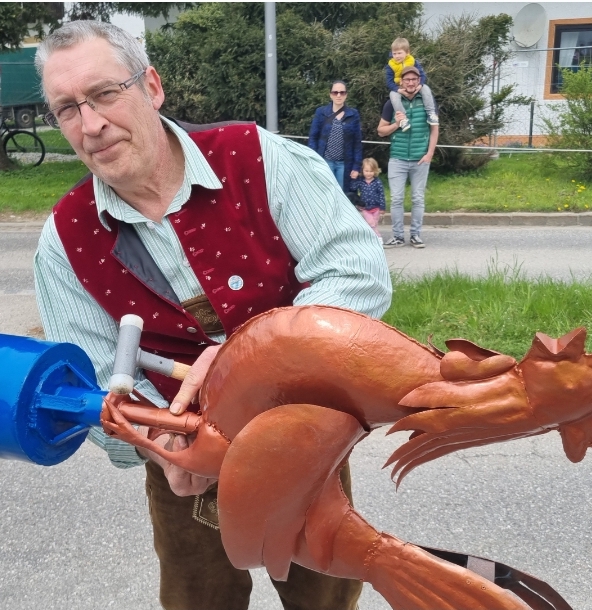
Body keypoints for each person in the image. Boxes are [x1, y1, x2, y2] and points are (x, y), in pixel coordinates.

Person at [33, 20, 390, 610]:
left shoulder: (257, 157)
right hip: (180, 466)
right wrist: (158, 443)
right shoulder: (64, 238)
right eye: (67, 108)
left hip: (301, 436)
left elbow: (358, 272)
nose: (91, 124)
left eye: (104, 94)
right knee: (197, 599)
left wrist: (245, 362)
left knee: (325, 596)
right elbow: (89, 382)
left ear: (151, 86)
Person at [377, 65, 438, 250]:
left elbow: (435, 128)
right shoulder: (391, 103)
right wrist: (396, 124)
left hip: (421, 159)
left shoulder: (427, 100)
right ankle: (397, 236)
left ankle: (415, 235)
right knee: (396, 199)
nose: (410, 83)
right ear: (401, 82)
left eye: (413, 79)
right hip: (398, 158)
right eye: (407, 80)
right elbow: (381, 131)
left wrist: (429, 154)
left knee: (418, 199)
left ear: (418, 81)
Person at [307, 80, 362, 193]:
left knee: (341, 195)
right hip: (325, 162)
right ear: (330, 94)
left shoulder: (353, 114)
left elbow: (357, 142)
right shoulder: (321, 112)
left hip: (344, 164)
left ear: (346, 95)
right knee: (324, 194)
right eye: (335, 92)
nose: (338, 95)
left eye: (342, 92)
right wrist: (313, 160)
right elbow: (313, 137)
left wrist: (356, 166)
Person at [385, 37, 438, 133]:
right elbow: (389, 82)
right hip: (398, 87)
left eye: (399, 53)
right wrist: (397, 89)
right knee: (393, 95)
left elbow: (422, 75)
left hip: (415, 85)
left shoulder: (413, 61)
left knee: (426, 88)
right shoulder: (390, 65)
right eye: (394, 53)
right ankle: (403, 119)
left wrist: (420, 85)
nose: (396, 56)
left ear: (407, 52)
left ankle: (431, 114)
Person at [350, 157, 385, 239]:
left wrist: (382, 208)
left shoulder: (378, 182)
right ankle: (378, 236)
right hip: (365, 207)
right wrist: (354, 179)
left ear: (375, 171)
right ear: (362, 171)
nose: (368, 173)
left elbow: (381, 195)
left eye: (371, 171)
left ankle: (372, 238)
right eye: (366, 171)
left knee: (374, 224)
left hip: (376, 207)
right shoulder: (360, 181)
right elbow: (353, 188)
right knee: (371, 223)